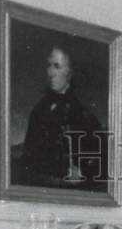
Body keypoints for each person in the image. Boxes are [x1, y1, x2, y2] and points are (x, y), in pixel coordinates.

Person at [17, 47, 107, 189]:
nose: (51, 72)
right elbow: (28, 162)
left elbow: (101, 164)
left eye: (57, 66)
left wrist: (84, 173)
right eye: (49, 65)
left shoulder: (85, 116)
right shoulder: (38, 112)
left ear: (69, 73)